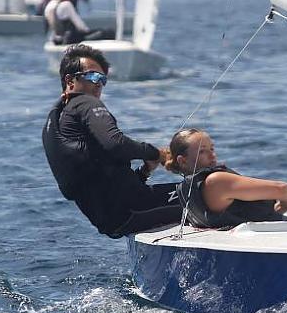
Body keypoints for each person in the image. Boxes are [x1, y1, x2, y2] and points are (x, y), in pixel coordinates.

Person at [42, 45, 182, 238]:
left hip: (113, 218)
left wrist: (145, 171)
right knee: (206, 190)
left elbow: (101, 176)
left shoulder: (61, 118)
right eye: (93, 76)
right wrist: (156, 153)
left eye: (103, 79)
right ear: (70, 80)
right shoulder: (85, 103)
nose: (99, 84)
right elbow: (115, 143)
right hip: (130, 208)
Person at [162, 128, 287, 229]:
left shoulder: (189, 190)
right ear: (182, 160)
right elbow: (281, 189)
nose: (212, 155)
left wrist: (282, 207)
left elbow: (240, 216)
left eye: (212, 149)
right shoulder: (216, 181)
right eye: (202, 151)